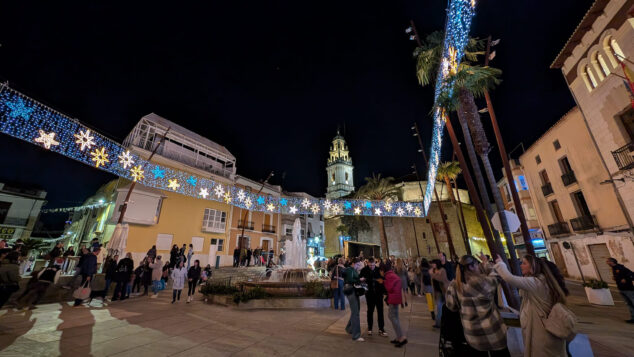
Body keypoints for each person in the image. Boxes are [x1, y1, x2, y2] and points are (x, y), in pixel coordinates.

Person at [495, 254, 567, 356]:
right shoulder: (539, 281)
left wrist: (500, 264)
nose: (521, 266)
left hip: (541, 334)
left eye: (524, 263)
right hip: (542, 331)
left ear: (533, 267)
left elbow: (509, 278)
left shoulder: (536, 282)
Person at [446, 254, 509, 356]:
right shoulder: (481, 282)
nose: (478, 267)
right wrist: (487, 263)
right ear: (471, 267)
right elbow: (496, 276)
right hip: (493, 332)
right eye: (476, 264)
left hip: (472, 335)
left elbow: (451, 306)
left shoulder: (454, 285)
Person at [360, 257, 387, 336]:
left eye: (373, 265)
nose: (371, 267)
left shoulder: (379, 270)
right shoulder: (364, 270)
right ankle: (370, 328)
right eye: (370, 265)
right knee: (370, 311)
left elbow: (383, 280)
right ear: (368, 263)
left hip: (378, 294)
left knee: (380, 312)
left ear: (375, 263)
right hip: (369, 294)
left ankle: (381, 329)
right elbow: (361, 281)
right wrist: (363, 283)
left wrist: (382, 289)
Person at [383, 260, 407, 347]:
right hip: (396, 297)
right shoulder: (392, 274)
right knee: (394, 317)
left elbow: (389, 288)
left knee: (392, 317)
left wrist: (383, 282)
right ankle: (399, 336)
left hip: (393, 298)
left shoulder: (388, 276)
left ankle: (401, 337)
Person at [607, 257, 634, 323]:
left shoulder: (621, 268)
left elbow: (632, 275)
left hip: (628, 289)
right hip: (621, 289)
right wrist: (615, 278)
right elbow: (619, 276)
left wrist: (626, 279)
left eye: (608, 261)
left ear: (612, 262)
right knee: (629, 304)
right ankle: (633, 318)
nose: (607, 263)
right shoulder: (614, 269)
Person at [343, 260, 364, 342]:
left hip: (353, 291)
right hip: (351, 291)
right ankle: (356, 335)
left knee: (356, 311)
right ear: (353, 263)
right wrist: (359, 280)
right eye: (357, 264)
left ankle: (349, 328)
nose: (359, 265)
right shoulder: (349, 270)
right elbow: (350, 280)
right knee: (355, 313)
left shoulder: (353, 270)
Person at [431, 259, 449, 328]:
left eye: (434, 263)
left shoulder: (442, 270)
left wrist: (433, 275)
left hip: (443, 291)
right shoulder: (434, 271)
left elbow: (442, 279)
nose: (432, 265)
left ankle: (441, 323)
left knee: (442, 308)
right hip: (437, 292)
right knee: (439, 308)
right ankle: (438, 323)